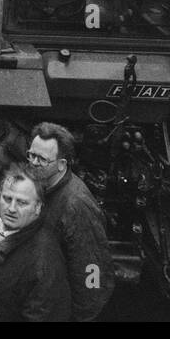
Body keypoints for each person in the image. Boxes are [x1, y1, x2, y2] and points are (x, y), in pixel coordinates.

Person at [0, 165, 71, 322]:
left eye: (22, 203)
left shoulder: (45, 263)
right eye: (7, 199)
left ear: (38, 207)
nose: (11, 209)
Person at [27, 122, 114, 321]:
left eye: (42, 159)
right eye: (31, 155)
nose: (33, 163)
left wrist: (81, 317)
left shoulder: (76, 205)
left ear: (62, 164)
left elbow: (92, 271)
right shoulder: (41, 184)